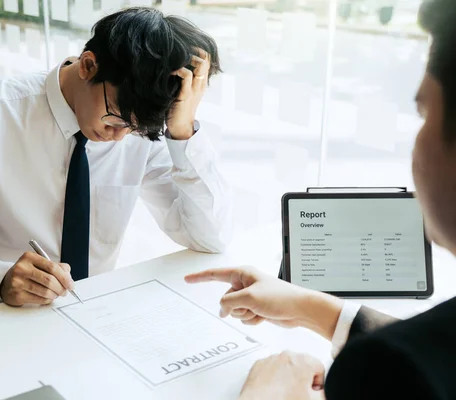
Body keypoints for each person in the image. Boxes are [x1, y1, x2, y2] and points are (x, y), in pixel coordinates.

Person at [186, 0, 456, 398]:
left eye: (424, 113)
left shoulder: (383, 371)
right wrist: (312, 308)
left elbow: (412, 361)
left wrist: (266, 394)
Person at [0, 7, 232, 319]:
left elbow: (208, 238)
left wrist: (182, 131)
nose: (121, 138)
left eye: (135, 128)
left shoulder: (138, 127)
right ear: (88, 66)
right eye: (116, 120)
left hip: (88, 315)